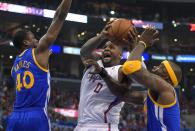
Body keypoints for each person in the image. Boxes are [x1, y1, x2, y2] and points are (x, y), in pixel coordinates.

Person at [74, 21, 152, 131]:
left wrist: (134, 48)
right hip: (81, 125)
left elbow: (141, 74)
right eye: (105, 47)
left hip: (104, 126)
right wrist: (101, 36)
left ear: (120, 54)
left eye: (112, 47)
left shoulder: (121, 70)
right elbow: (84, 51)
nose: (106, 49)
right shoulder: (94, 63)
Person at [7, 0, 72, 131]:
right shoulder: (38, 51)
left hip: (15, 117)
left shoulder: (14, 66)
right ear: (26, 42)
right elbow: (59, 17)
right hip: (35, 115)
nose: (37, 39)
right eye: (33, 38)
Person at [121, 26, 182, 131]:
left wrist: (142, 43)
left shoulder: (165, 87)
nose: (154, 67)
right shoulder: (159, 93)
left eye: (161, 68)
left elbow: (130, 67)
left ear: (166, 77)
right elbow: (139, 67)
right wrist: (133, 46)